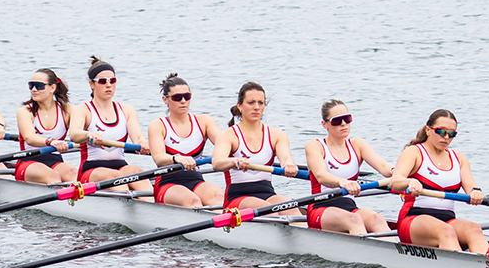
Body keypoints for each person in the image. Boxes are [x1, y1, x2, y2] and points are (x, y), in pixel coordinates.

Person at [390, 108, 487, 252]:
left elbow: (472, 187)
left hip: (447, 220)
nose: (446, 137)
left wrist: (476, 192)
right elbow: (395, 181)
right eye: (441, 131)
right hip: (413, 219)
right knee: (446, 231)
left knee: (474, 229)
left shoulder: (459, 158)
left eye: (452, 134)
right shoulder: (414, 152)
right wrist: (409, 182)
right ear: (428, 130)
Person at [305, 99, 393, 234]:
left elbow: (383, 166)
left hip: (349, 207)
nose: (343, 123)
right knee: (354, 220)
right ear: (324, 124)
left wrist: (398, 172)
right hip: (320, 208)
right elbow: (321, 175)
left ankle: (392, 254)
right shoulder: (315, 146)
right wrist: (343, 182)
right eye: (336, 120)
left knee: (378, 219)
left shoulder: (357, 145)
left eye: (347, 118)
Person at [211, 81, 300, 214]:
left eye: (260, 103)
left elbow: (286, 159)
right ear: (239, 106)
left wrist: (289, 165)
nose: (256, 107)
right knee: (269, 210)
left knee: (292, 208)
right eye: (251, 103)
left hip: (267, 192)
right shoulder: (228, 135)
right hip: (237, 198)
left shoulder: (277, 135)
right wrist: (233, 161)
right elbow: (217, 163)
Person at [68, 56, 150, 192]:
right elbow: (74, 134)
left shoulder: (127, 110)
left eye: (112, 80)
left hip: (121, 165)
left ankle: (150, 207)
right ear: (91, 84)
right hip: (91, 170)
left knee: (138, 172)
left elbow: (138, 138)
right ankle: (125, 206)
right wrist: (88, 134)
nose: (108, 85)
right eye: (102, 81)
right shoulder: (83, 109)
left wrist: (143, 143)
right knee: (116, 176)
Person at [147, 74, 223, 208]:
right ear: (165, 99)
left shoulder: (204, 122)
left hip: (195, 179)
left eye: (187, 96)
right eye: (177, 97)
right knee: (192, 201)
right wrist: (177, 159)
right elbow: (159, 158)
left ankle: (223, 227)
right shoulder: (158, 126)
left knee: (218, 196)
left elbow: (225, 145)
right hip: (167, 182)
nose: (183, 101)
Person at [15, 70, 77, 184]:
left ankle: (81, 199)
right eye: (31, 85)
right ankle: (61, 199)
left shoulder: (68, 110)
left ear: (52, 87)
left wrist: (90, 136)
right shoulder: (25, 111)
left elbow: (78, 133)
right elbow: (29, 138)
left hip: (55, 160)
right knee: (53, 176)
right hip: (29, 161)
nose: (33, 89)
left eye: (39, 86)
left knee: (73, 172)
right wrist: (51, 142)